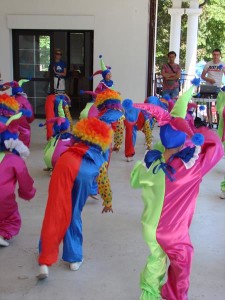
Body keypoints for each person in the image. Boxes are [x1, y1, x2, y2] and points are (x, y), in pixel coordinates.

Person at [130, 79, 224, 300]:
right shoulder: (191, 168)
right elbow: (217, 147)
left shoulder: (150, 164)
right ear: (184, 141)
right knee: (183, 261)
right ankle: (174, 295)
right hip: (173, 233)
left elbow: (135, 180)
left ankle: (149, 295)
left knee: (156, 260)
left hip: (150, 228)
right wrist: (195, 130)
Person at [37, 118, 113, 279]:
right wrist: (108, 201)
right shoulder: (99, 159)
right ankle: (73, 258)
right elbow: (103, 182)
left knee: (55, 210)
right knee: (72, 214)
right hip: (84, 173)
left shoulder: (68, 150)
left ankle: (45, 257)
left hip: (64, 164)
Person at [0, 94, 36, 247]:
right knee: (11, 217)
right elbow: (25, 181)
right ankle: (3, 233)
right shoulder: (15, 161)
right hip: (3, 199)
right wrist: (27, 194)